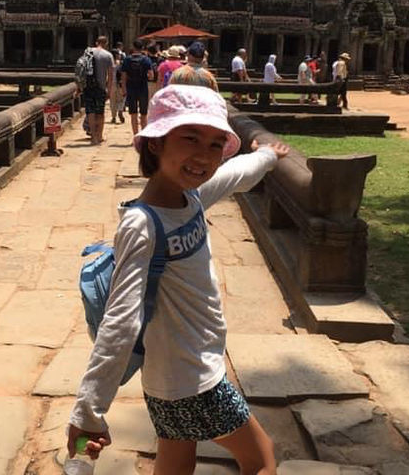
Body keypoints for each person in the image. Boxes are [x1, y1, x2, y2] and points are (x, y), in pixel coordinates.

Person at [67, 84, 287, 475]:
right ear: (155, 143)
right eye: (190, 138)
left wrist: (268, 156)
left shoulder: (191, 198)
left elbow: (235, 174)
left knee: (175, 461)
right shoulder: (143, 225)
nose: (204, 155)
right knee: (261, 458)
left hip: (167, 378)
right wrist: (89, 410)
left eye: (216, 143)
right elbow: (120, 322)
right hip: (196, 379)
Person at [85, 36, 115, 144]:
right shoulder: (108, 55)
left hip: (88, 87)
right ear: (106, 43)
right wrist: (109, 89)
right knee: (100, 112)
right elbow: (111, 75)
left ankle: (93, 136)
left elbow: (82, 71)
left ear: (96, 42)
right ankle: (99, 135)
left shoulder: (88, 53)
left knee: (90, 112)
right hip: (101, 87)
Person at [121, 39, 153, 135]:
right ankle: (143, 136)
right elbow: (151, 75)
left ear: (133, 47)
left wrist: (124, 89)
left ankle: (135, 135)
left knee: (133, 114)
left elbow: (123, 76)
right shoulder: (146, 59)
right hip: (143, 87)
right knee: (144, 114)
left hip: (131, 88)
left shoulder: (127, 59)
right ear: (142, 48)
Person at [109, 46, 126, 124]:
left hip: (112, 84)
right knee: (121, 99)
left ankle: (113, 117)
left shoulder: (109, 64)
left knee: (112, 101)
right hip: (120, 83)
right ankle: (120, 110)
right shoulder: (122, 63)